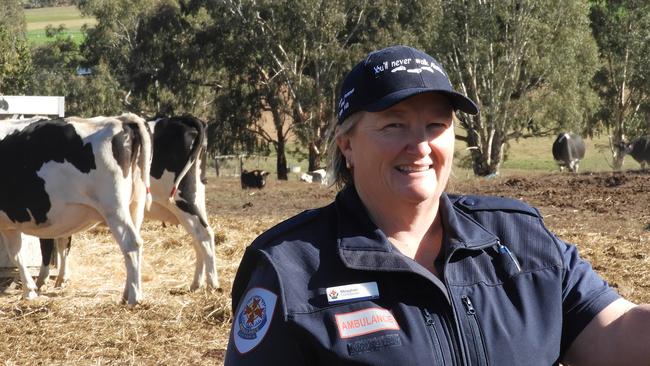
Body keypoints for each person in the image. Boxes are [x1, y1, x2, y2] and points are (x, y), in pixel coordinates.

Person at [224, 45, 650, 365]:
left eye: (436, 125)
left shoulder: (520, 242)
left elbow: (615, 330)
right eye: (394, 125)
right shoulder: (289, 272)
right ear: (347, 145)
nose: (420, 145)